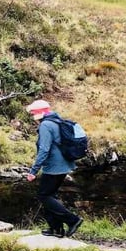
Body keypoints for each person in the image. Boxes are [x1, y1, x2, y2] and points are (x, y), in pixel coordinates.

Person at [25, 100, 84, 238]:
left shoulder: (45, 125)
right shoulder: (57, 120)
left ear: (38, 113)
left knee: (43, 195)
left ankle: (73, 220)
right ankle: (56, 229)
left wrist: (33, 171)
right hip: (64, 164)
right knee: (51, 196)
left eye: (33, 113)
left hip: (54, 167)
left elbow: (44, 150)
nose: (32, 116)